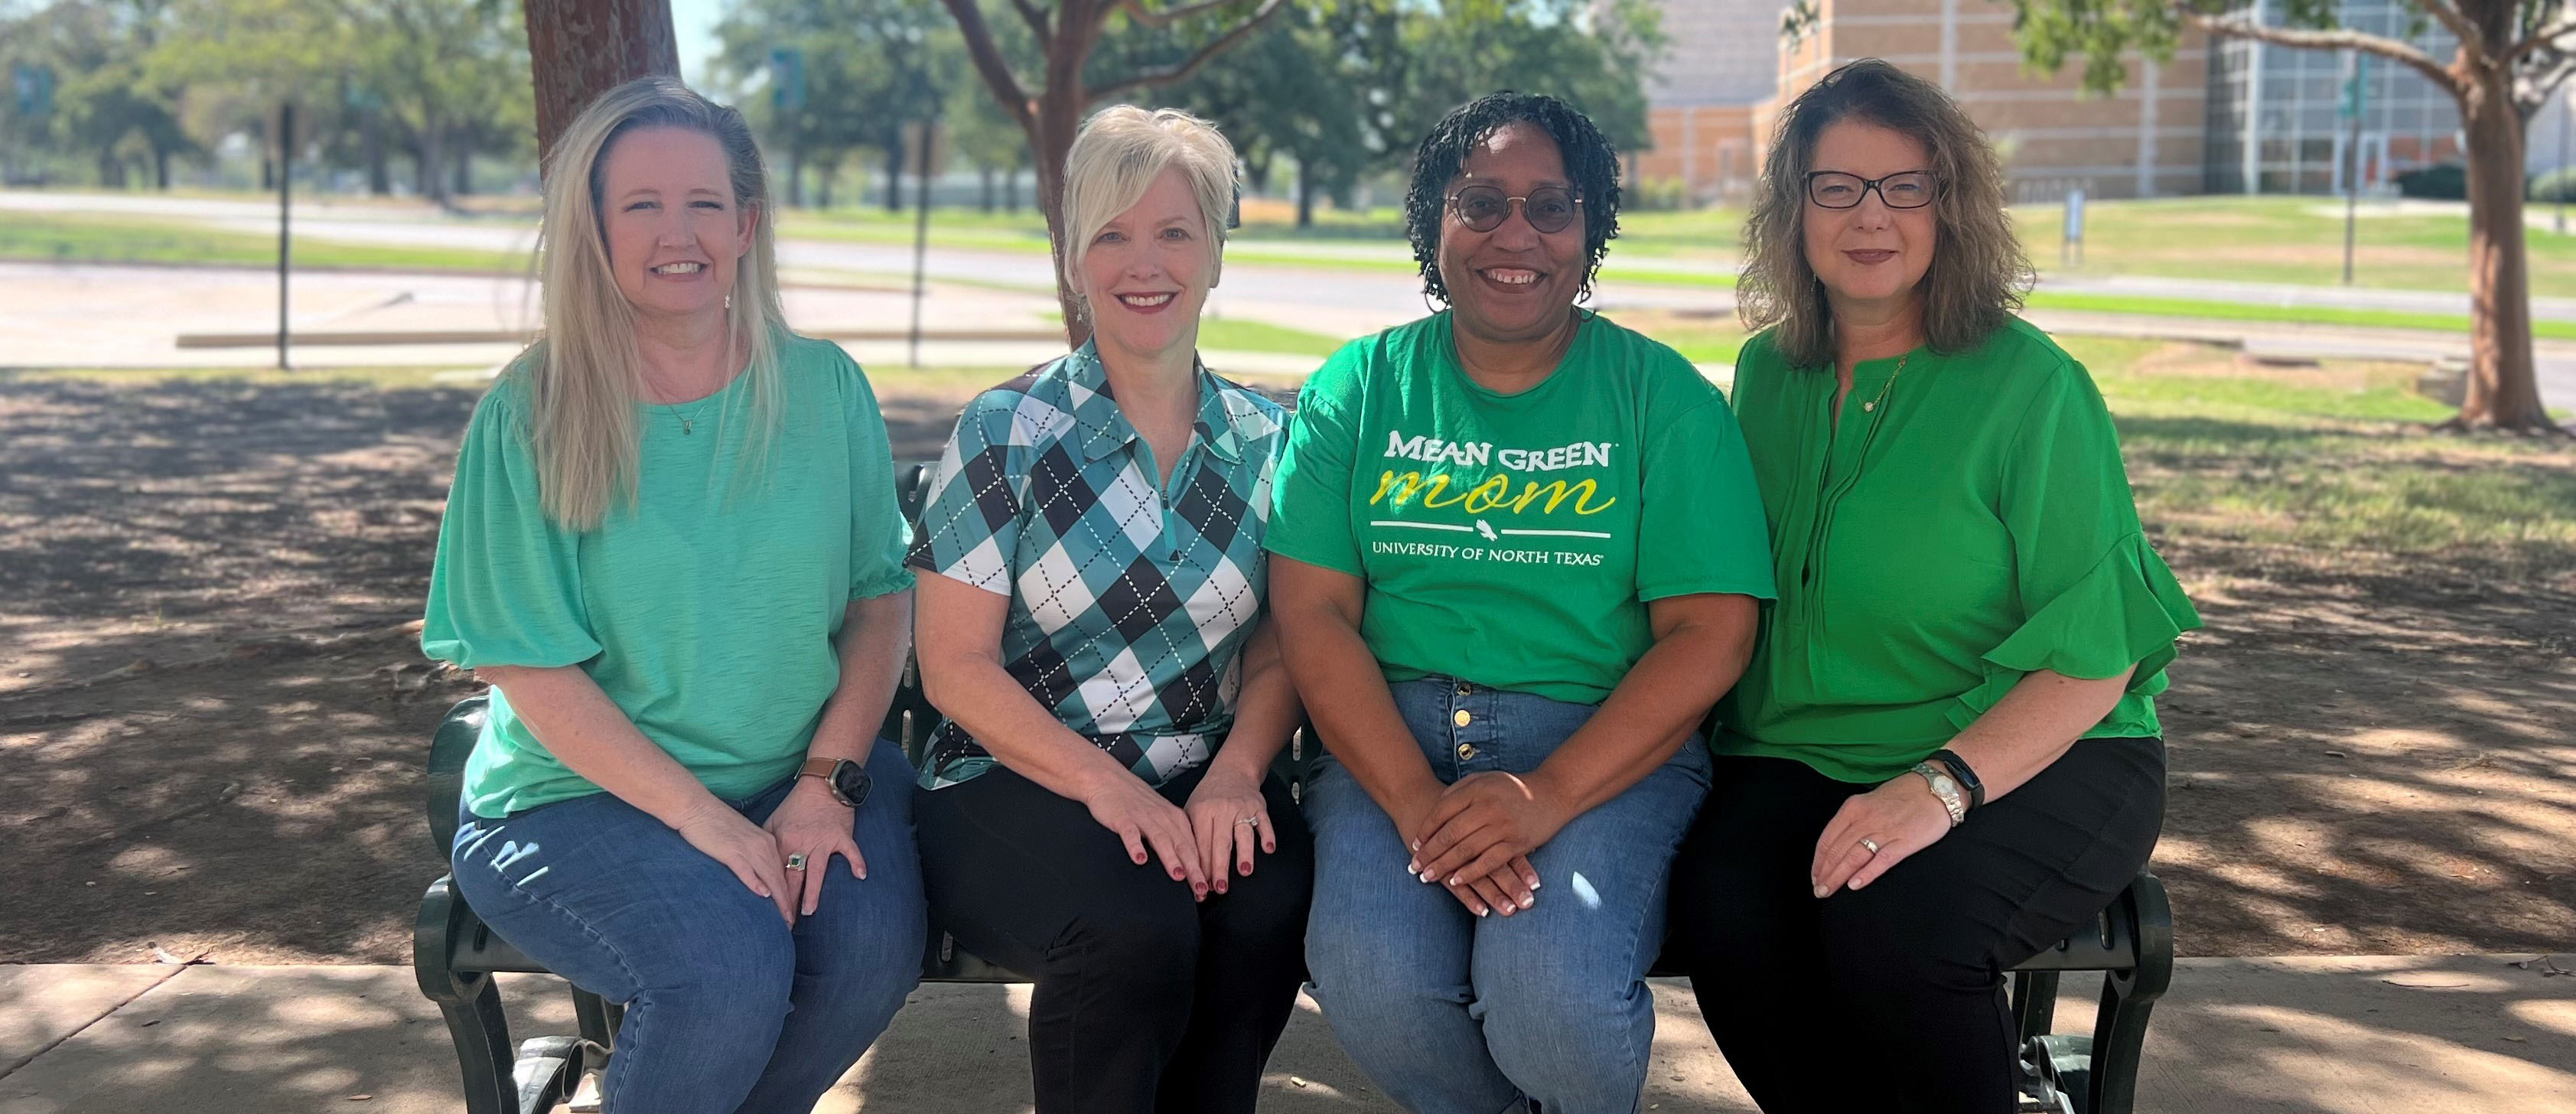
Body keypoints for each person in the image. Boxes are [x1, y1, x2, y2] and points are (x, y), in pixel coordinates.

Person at [1668, 59, 2204, 1114]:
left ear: (1950, 207)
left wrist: (1942, 786)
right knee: (1723, 915)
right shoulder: (1768, 375)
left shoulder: (2034, 389)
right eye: (1838, 186)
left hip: (2042, 750)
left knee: (1895, 930)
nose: (1871, 216)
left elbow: (2094, 655)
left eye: (1904, 185)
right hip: (1801, 747)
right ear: (1795, 207)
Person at [1265, 91, 1775, 1113]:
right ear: (1433, 220)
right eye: (1480, 202)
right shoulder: (1359, 388)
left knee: (1552, 996)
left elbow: (1712, 630)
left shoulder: (1660, 397)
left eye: (1551, 207)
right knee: (1373, 979)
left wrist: (1545, 795)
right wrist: (1419, 806)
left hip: (1602, 742)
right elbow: (1313, 615)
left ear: (1591, 233)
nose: (1516, 234)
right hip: (1388, 741)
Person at [422, 77, 923, 1114]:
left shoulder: (824, 389)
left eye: (703, 203)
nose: (676, 231)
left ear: (746, 225)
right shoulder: (531, 413)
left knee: (870, 959)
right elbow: (528, 666)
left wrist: (825, 783)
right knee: (725, 971)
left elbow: (880, 599)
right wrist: (706, 820)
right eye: (639, 205)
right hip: (575, 801)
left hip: (800, 773)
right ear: (593, 230)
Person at [907, 105, 1311, 1114]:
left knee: (1264, 897)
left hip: (1203, 770)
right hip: (1009, 781)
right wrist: (1110, 789)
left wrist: (1238, 776)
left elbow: (1281, 649)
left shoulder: (1273, 441)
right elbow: (954, 667)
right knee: (1136, 918)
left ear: (1216, 253)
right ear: (1075, 254)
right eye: (1113, 234)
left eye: (1176, 231)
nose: (1147, 262)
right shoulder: (1008, 432)